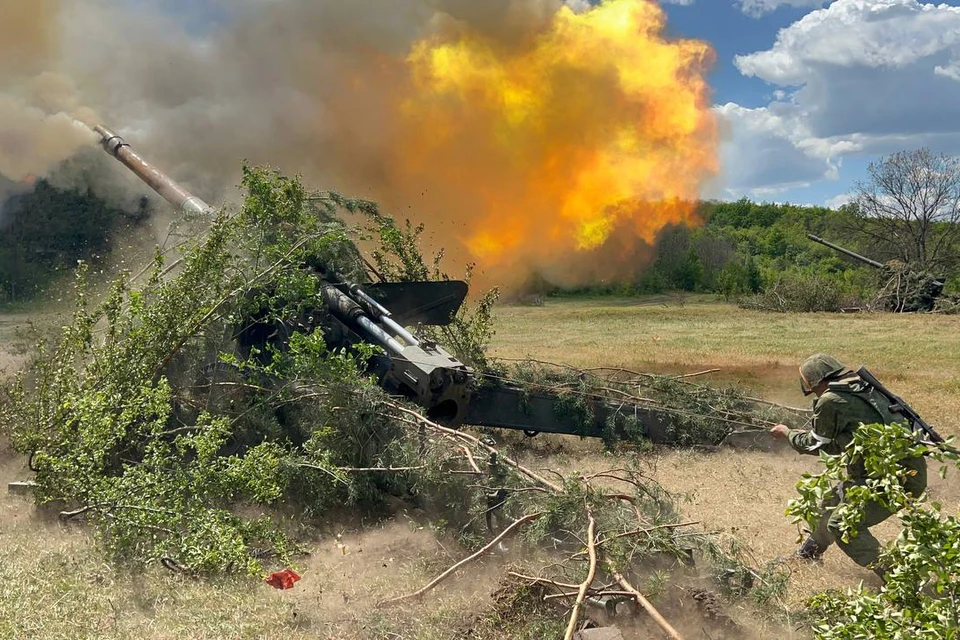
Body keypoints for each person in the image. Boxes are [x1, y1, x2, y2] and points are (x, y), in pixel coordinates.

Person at [769, 353, 927, 578]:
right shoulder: (862, 387)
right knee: (832, 503)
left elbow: (815, 444)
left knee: (843, 525)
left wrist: (788, 433)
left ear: (816, 382)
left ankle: (898, 578)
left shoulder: (831, 400)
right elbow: (844, 442)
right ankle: (809, 553)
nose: (813, 392)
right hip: (897, 473)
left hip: (893, 480)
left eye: (812, 387)